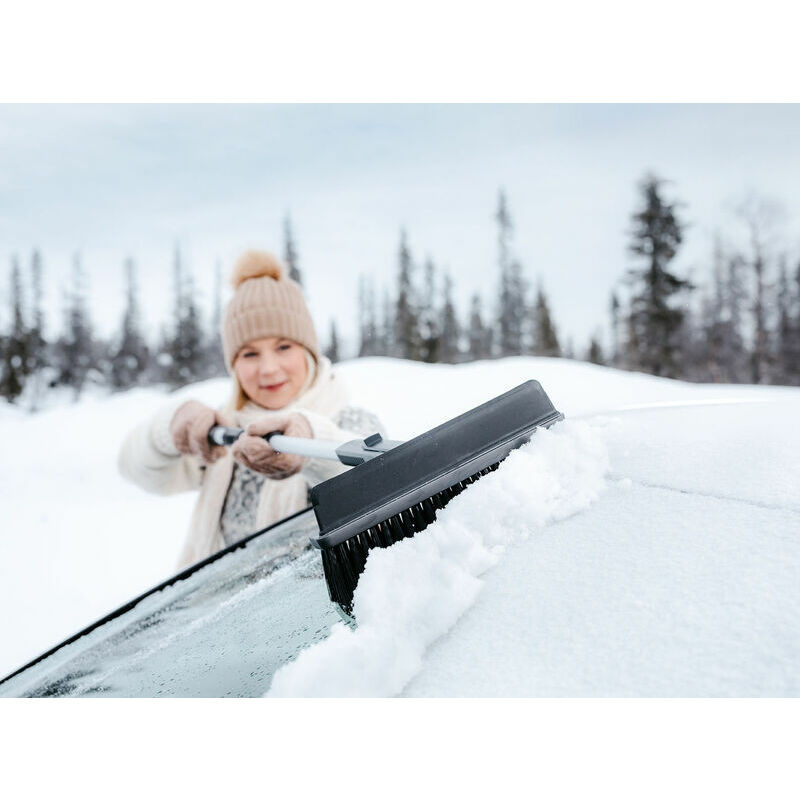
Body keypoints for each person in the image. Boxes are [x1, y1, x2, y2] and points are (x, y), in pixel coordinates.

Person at [118, 250, 385, 569]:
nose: (269, 369)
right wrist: (170, 428)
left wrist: (310, 442)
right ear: (233, 365)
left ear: (308, 351)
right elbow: (136, 470)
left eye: (283, 347)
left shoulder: (349, 420)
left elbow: (375, 486)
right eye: (249, 354)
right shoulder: (221, 434)